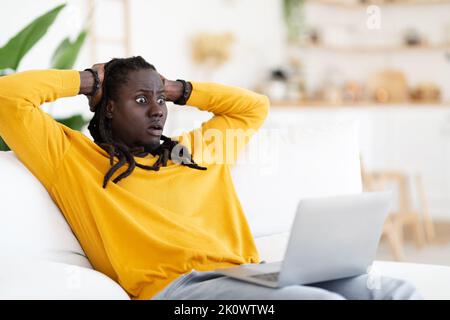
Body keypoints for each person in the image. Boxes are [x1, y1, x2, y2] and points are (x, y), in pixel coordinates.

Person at [0, 56, 421, 300]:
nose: (157, 110)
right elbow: (8, 98)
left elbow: (252, 107)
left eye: (161, 100)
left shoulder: (197, 151)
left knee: (393, 290)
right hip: (181, 294)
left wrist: (177, 86)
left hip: (250, 275)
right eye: (141, 100)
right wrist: (92, 80)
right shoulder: (75, 160)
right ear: (108, 108)